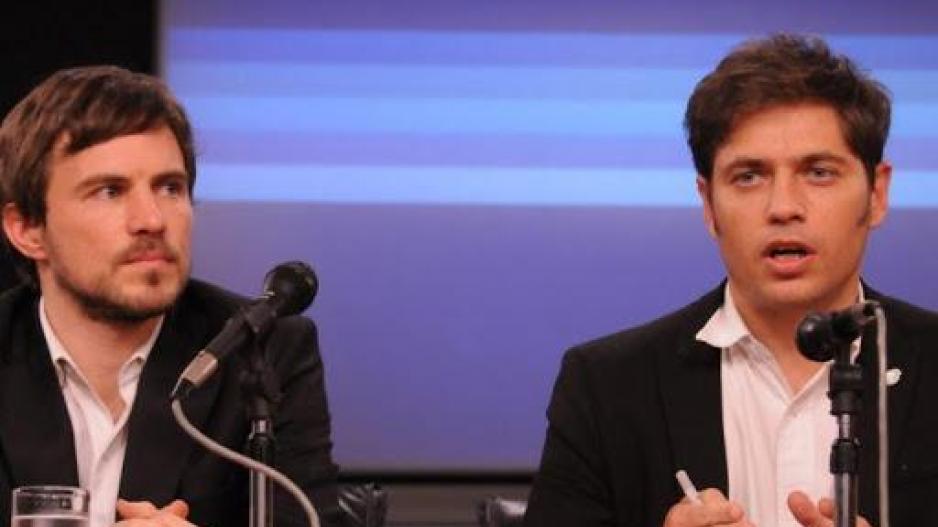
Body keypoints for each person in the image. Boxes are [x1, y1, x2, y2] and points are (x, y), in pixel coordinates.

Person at [525, 34, 938, 527]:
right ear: (708, 204)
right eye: (748, 176)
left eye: (819, 172)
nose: (783, 207)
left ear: (877, 194)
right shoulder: (607, 387)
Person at [0, 66, 341, 527]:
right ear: (27, 229)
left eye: (170, 188)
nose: (152, 220)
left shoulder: (264, 348)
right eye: (109, 191)